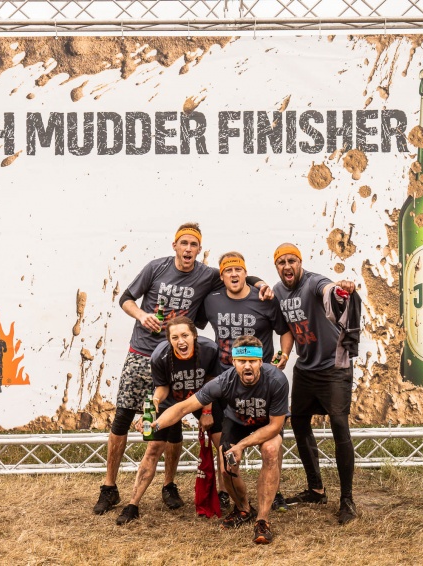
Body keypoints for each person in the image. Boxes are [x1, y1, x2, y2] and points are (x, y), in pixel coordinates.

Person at [93, 223, 272, 515]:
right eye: (184, 243)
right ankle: (109, 487)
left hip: (181, 356)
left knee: (173, 422)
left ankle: (169, 485)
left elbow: (235, 273)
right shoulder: (156, 267)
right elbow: (125, 298)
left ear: (199, 249)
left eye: (193, 244)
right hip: (143, 352)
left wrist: (261, 283)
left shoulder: (206, 275)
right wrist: (142, 315)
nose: (188, 249)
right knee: (124, 415)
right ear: (175, 245)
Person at [152, 335, 289, 545]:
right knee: (227, 468)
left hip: (266, 425)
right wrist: (156, 424)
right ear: (234, 362)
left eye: (252, 361)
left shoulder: (277, 380)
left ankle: (262, 520)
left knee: (270, 450)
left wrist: (242, 445)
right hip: (237, 422)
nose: (247, 366)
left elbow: (275, 426)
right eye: (242, 361)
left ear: (261, 362)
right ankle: (244, 509)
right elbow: (183, 407)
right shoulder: (224, 381)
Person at [197, 251, 294, 511]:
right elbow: (192, 324)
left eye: (238, 270)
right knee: (223, 442)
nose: (234, 274)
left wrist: (284, 354)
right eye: (228, 271)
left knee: (271, 443)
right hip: (226, 381)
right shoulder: (211, 300)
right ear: (221, 276)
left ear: (245, 272)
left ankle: (275, 492)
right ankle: (227, 491)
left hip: (260, 381)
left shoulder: (264, 299)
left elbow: (284, 331)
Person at [272, 242, 361, 525]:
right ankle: (316, 490)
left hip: (334, 367)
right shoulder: (278, 291)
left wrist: (340, 287)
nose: (287, 266)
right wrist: (285, 354)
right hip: (305, 368)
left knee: (339, 426)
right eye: (282, 262)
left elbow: (328, 289)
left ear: (300, 263)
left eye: (292, 261)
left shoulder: (313, 283)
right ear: (277, 267)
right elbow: (287, 328)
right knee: (298, 421)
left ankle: (347, 499)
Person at [115, 316, 222, 525]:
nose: (181, 341)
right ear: (169, 340)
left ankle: (229, 497)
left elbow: (211, 381)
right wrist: (155, 401)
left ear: (194, 335)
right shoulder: (159, 356)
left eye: (185, 335)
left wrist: (207, 411)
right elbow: (162, 387)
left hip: (202, 397)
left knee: (223, 445)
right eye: (175, 337)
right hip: (171, 401)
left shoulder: (209, 349)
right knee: (153, 448)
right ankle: (132, 505)